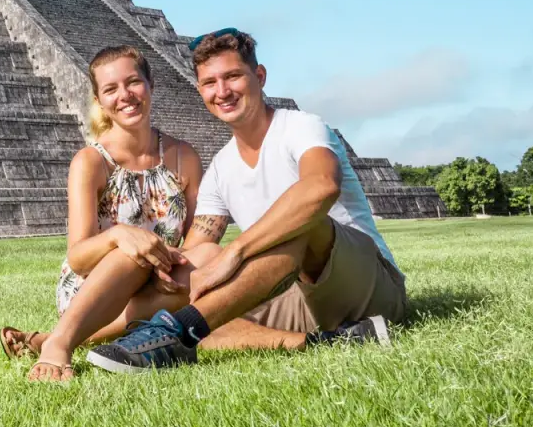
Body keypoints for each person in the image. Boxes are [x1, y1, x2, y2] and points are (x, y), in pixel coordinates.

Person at [83, 28, 407, 374]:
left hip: (368, 287)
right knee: (203, 294)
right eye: (209, 83)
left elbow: (321, 186)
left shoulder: (301, 127)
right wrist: (68, 334)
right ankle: (332, 340)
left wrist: (236, 252)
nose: (222, 91)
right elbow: (196, 258)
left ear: (260, 76)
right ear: (200, 90)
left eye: (233, 76)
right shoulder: (222, 167)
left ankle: (173, 331)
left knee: (300, 225)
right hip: (296, 298)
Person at [1, 44, 300, 383]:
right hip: (92, 293)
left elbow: (195, 246)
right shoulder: (90, 162)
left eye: (133, 82)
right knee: (132, 254)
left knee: (210, 253)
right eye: (111, 89)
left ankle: (67, 337)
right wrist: (119, 235)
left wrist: (165, 264)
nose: (125, 95)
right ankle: (59, 342)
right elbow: (80, 258)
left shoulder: (183, 156)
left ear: (150, 85)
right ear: (99, 101)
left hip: (162, 283)